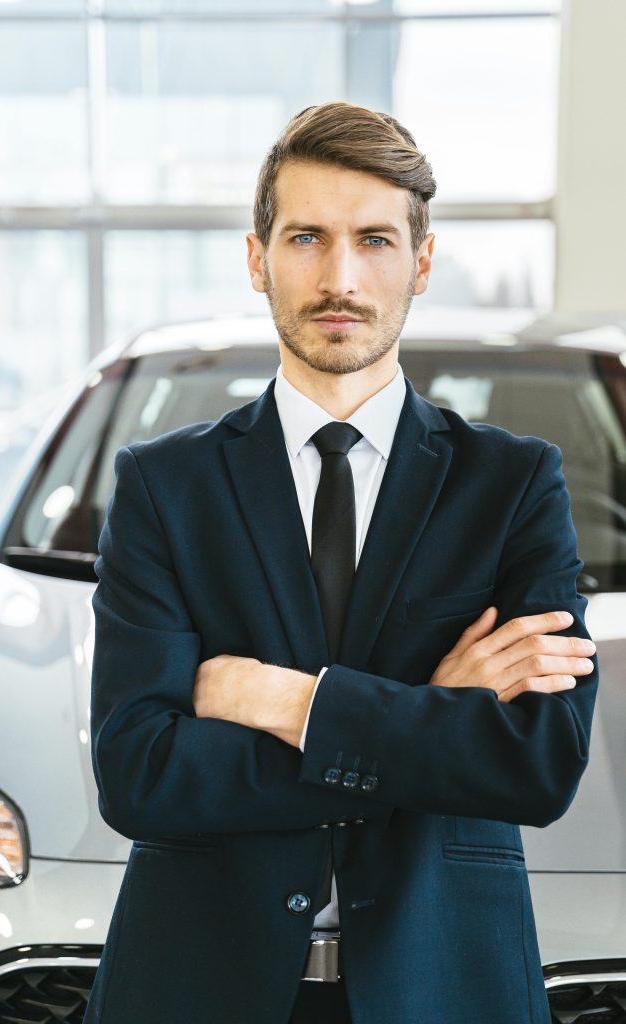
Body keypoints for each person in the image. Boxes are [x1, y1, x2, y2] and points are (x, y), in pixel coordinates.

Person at [82, 101, 598, 1024]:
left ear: (421, 262)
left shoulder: (514, 483)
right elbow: (140, 771)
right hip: (201, 985)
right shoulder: (165, 486)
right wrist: (431, 716)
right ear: (257, 258)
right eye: (307, 237)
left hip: (442, 984)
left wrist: (284, 702)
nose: (340, 276)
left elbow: (535, 766)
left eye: (374, 240)